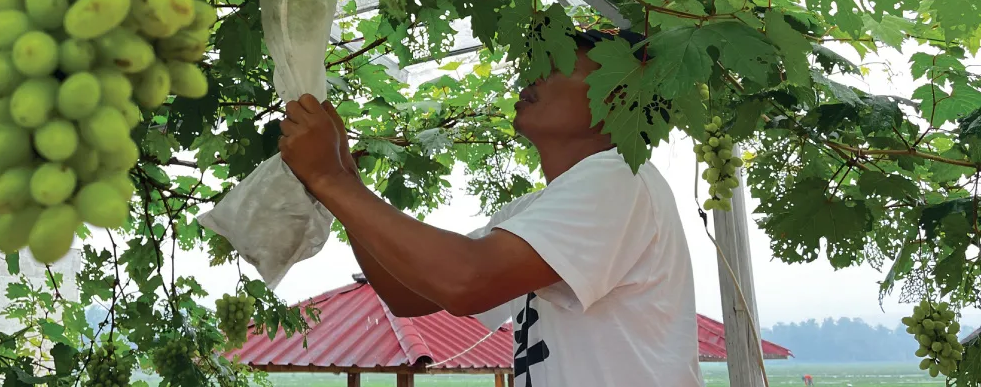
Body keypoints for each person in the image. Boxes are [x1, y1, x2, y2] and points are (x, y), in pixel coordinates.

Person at [277, 28, 703, 387]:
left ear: (620, 97)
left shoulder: (622, 177)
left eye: (557, 64)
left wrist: (330, 179)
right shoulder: (531, 213)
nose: (533, 75)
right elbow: (405, 293)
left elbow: (467, 279)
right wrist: (344, 176)